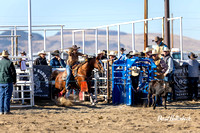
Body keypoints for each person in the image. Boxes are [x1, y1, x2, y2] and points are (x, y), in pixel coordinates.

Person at [0, 50, 16, 115]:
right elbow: (13, 73)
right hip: (8, 81)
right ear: (7, 56)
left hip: (1, 81)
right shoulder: (9, 62)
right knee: (7, 96)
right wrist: (14, 80)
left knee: (1, 96)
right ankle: (6, 110)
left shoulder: (0, 62)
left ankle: (1, 110)